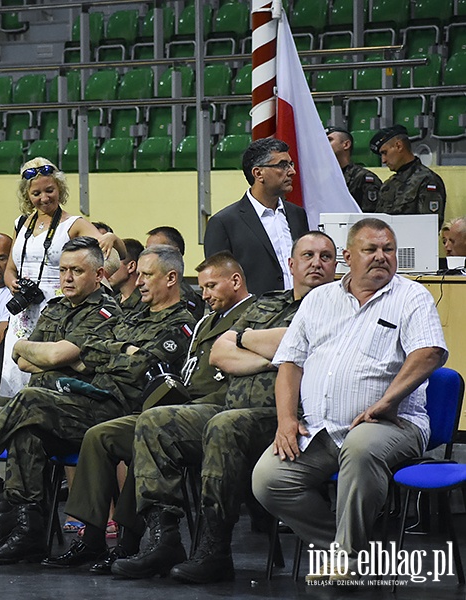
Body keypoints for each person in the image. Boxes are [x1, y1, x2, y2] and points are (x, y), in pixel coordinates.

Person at [0, 241, 196, 566]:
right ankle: (13, 515)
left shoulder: (124, 313)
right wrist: (79, 356)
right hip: (49, 405)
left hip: (96, 406)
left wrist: (82, 356)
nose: (68, 277)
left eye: (76, 270)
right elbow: (23, 355)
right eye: (63, 270)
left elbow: (123, 364)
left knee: (29, 408)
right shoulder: (120, 314)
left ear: (99, 274)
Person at [110, 232, 338, 581]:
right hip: (229, 407)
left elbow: (309, 346)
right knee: (155, 422)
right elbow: (221, 351)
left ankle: (214, 548)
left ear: (336, 264)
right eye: (308, 255)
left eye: (325, 256)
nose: (316, 262)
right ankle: (163, 539)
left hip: (287, 418)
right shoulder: (267, 305)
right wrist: (275, 357)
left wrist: (259, 346)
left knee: (225, 426)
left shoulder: (338, 306)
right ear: (291, 264)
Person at [252, 218, 447, 584]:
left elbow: (429, 352)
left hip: (393, 423)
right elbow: (290, 364)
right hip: (323, 429)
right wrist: (286, 421)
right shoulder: (318, 300)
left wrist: (387, 402)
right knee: (269, 478)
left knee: (360, 447)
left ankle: (348, 555)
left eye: (388, 250)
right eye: (370, 250)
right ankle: (354, 549)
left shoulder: (411, 296)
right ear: (348, 257)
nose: (381, 257)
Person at [42, 251, 255, 572]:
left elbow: (143, 363)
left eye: (211, 286)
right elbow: (97, 350)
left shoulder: (251, 316)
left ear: (235, 281)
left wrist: (115, 355)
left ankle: (132, 542)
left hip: (219, 409)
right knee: (102, 435)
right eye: (203, 287)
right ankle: (92, 537)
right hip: (182, 407)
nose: (204, 294)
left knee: (149, 428)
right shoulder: (206, 321)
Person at [0, 158, 124, 398]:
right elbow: (11, 267)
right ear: (27, 195)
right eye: (36, 193)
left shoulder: (73, 224)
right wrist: (11, 281)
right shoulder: (21, 223)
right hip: (23, 311)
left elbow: (112, 259)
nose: (44, 198)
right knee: (17, 371)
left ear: (60, 189)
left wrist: (89, 281)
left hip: (59, 309)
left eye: (50, 190)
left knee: (50, 368)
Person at [203, 138, 310, 297]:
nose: (292, 171)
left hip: (300, 310)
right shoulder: (224, 223)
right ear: (258, 173)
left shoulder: (297, 214)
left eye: (291, 164)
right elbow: (218, 282)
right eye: (282, 165)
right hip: (255, 317)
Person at [370, 124, 446, 225]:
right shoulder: (388, 185)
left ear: (399, 146)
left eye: (385, 153)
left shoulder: (427, 180)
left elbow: (429, 225)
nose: (383, 160)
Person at [326, 126, 381, 212]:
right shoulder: (327, 179)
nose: (324, 144)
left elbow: (371, 215)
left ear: (346, 144)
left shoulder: (363, 177)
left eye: (329, 140)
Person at [107, 238, 143, 311]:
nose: (108, 269)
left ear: (131, 267)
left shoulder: (145, 304)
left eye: (114, 262)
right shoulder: (111, 302)